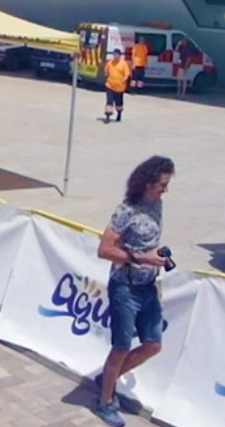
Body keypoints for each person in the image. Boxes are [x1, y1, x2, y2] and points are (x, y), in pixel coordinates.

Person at [94, 156, 174, 427]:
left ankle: (107, 378)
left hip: (148, 286)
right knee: (121, 346)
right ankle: (104, 401)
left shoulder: (157, 204)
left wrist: (158, 256)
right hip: (125, 287)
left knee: (153, 344)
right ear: (149, 182)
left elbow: (149, 242)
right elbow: (104, 250)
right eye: (162, 184)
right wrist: (142, 258)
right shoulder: (126, 210)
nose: (166, 189)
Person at [104, 49, 131, 123]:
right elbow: (106, 70)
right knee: (109, 101)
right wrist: (106, 73)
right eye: (114, 55)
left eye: (117, 55)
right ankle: (108, 116)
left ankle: (119, 114)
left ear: (120, 56)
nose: (115, 56)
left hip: (120, 88)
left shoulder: (123, 64)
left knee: (118, 103)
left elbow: (127, 74)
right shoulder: (110, 63)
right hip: (110, 86)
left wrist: (124, 80)